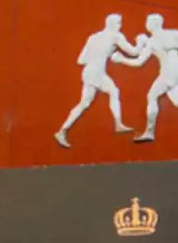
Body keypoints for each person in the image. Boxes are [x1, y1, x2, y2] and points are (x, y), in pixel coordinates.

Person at [113, 13, 178, 142]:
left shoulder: (153, 42)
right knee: (177, 101)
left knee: (151, 96)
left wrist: (121, 59)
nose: (146, 25)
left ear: (152, 24)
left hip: (168, 72)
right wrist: (175, 45)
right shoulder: (172, 34)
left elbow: (139, 62)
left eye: (147, 22)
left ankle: (149, 132)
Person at [55, 14, 138, 148]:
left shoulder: (93, 37)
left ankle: (63, 131)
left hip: (89, 71)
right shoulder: (116, 36)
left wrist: (103, 53)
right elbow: (134, 52)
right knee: (104, 96)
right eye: (119, 23)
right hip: (97, 73)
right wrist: (141, 43)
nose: (120, 26)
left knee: (94, 99)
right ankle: (117, 124)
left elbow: (81, 60)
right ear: (112, 24)